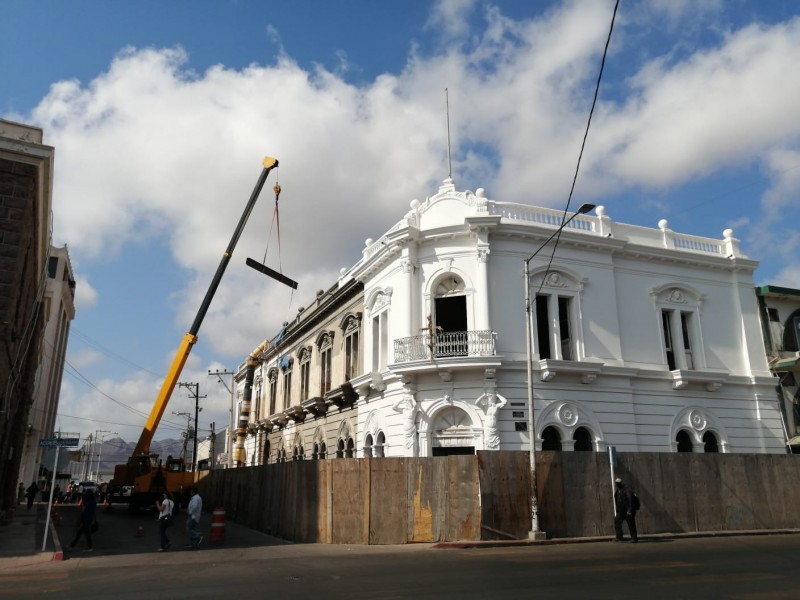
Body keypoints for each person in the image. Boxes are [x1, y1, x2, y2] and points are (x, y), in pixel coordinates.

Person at [613, 478, 638, 543]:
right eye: (616, 483)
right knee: (617, 521)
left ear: (621, 483)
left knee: (631, 524)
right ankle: (619, 537)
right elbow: (617, 501)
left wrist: (629, 510)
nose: (617, 484)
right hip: (621, 511)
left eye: (618, 483)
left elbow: (630, 500)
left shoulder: (627, 490)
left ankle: (634, 538)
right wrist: (618, 510)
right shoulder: (617, 491)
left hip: (628, 510)